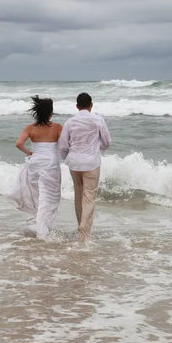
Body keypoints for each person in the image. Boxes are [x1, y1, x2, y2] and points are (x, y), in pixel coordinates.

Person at [7, 96, 62, 238]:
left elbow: (18, 143)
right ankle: (43, 229)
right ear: (50, 114)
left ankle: (39, 223)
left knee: (37, 194)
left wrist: (29, 153)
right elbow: (65, 145)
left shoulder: (30, 128)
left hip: (35, 162)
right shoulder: (57, 127)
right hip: (51, 164)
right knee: (49, 196)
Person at [59, 93, 111, 241]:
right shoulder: (98, 120)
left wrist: (68, 158)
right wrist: (95, 149)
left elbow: (63, 145)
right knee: (89, 197)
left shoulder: (69, 122)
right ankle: (84, 226)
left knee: (78, 194)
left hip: (74, 163)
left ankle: (82, 230)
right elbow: (107, 141)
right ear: (91, 105)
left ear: (77, 106)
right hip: (91, 162)